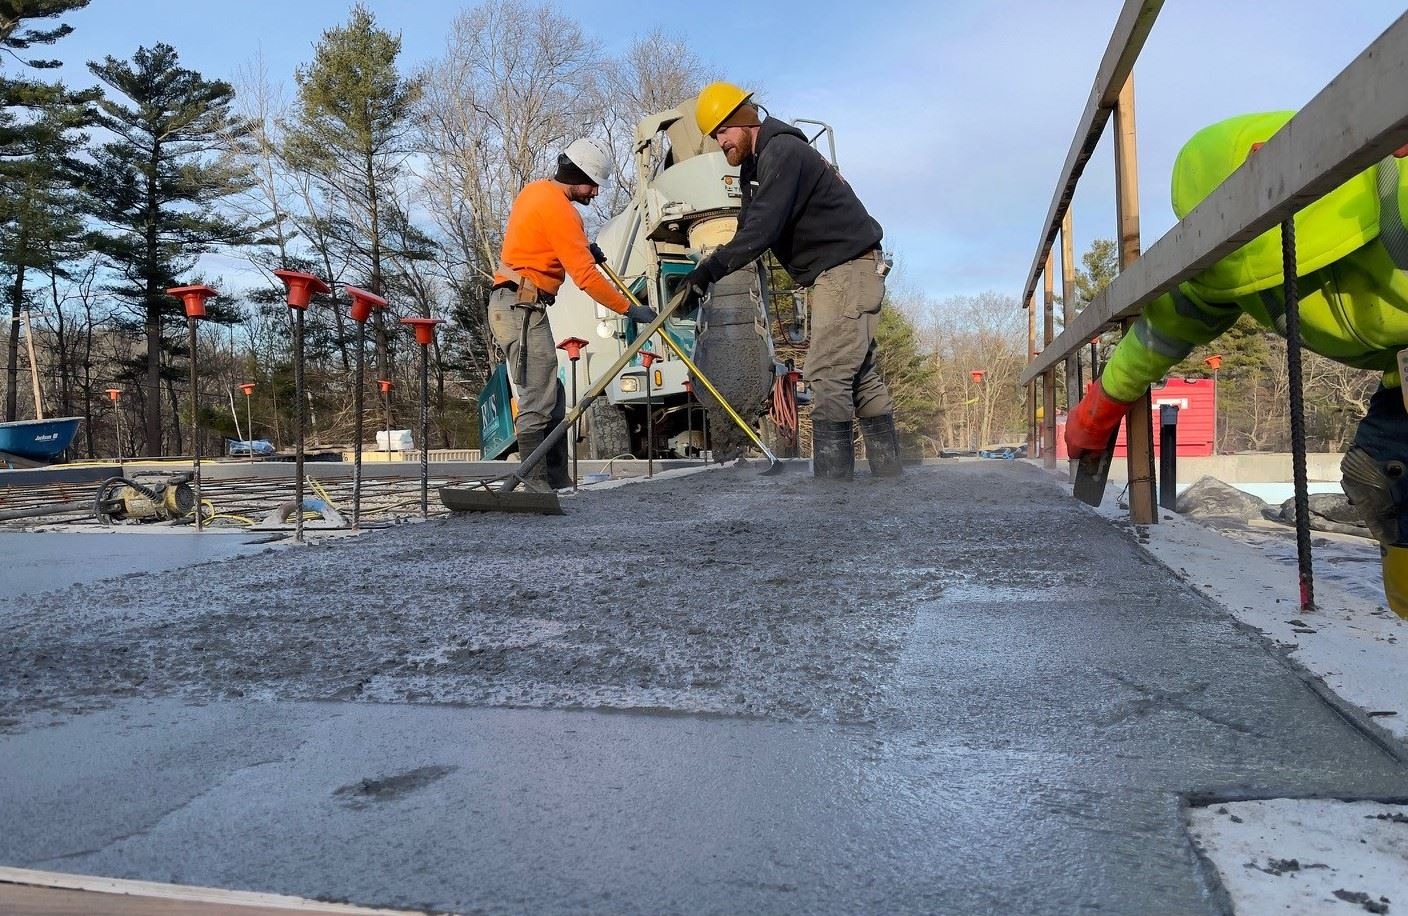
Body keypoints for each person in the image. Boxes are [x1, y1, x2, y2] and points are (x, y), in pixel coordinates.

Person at [1066, 111, 1408, 617]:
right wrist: (1104, 401)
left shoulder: (1394, 184)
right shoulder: (1218, 270)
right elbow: (1164, 329)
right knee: (1384, 478)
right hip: (1400, 371)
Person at [684, 81, 902, 480]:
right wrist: (705, 276)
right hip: (841, 272)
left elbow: (763, 229)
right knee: (858, 376)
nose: (720, 142)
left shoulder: (782, 151)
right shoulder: (756, 168)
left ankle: (833, 490)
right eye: (715, 136)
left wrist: (709, 269)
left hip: (847, 269)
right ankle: (889, 477)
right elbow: (748, 228)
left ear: (744, 119)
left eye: (723, 131)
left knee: (827, 373)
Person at [488, 138, 657, 490]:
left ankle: (556, 478)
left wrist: (582, 245)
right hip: (520, 305)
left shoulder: (536, 192)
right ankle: (535, 483)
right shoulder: (560, 210)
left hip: (519, 304)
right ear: (577, 175)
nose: (596, 192)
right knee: (538, 394)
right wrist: (629, 309)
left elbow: (541, 243)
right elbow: (586, 278)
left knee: (554, 393)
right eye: (593, 184)